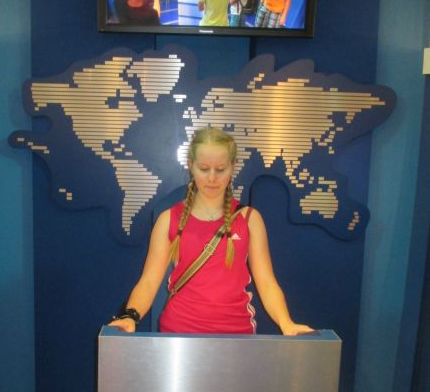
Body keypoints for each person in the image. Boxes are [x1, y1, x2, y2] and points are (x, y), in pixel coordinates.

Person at [108, 127, 314, 336]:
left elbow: (267, 283)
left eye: (221, 169)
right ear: (191, 165)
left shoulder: (250, 219)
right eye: (204, 169)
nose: (212, 178)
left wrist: (286, 323)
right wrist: (130, 316)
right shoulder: (168, 220)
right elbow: (149, 282)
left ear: (233, 167)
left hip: (238, 335)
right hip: (178, 334)